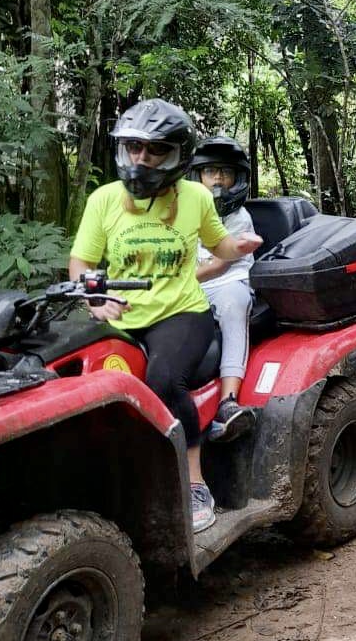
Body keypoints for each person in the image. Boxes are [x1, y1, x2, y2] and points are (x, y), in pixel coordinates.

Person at [69, 99, 263, 533]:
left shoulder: (194, 197)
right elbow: (81, 264)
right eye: (134, 147)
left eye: (154, 150)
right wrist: (94, 299)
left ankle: (196, 484)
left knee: (163, 380)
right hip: (121, 313)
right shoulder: (104, 200)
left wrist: (240, 248)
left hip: (180, 310)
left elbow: (220, 247)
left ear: (177, 154)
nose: (142, 159)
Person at [190, 136, 258, 443]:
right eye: (211, 171)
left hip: (228, 281)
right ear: (198, 176)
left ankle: (228, 401)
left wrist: (179, 281)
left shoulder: (239, 218)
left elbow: (219, 265)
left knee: (234, 305)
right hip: (189, 282)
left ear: (237, 178)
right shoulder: (183, 211)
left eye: (225, 172)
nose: (218, 178)